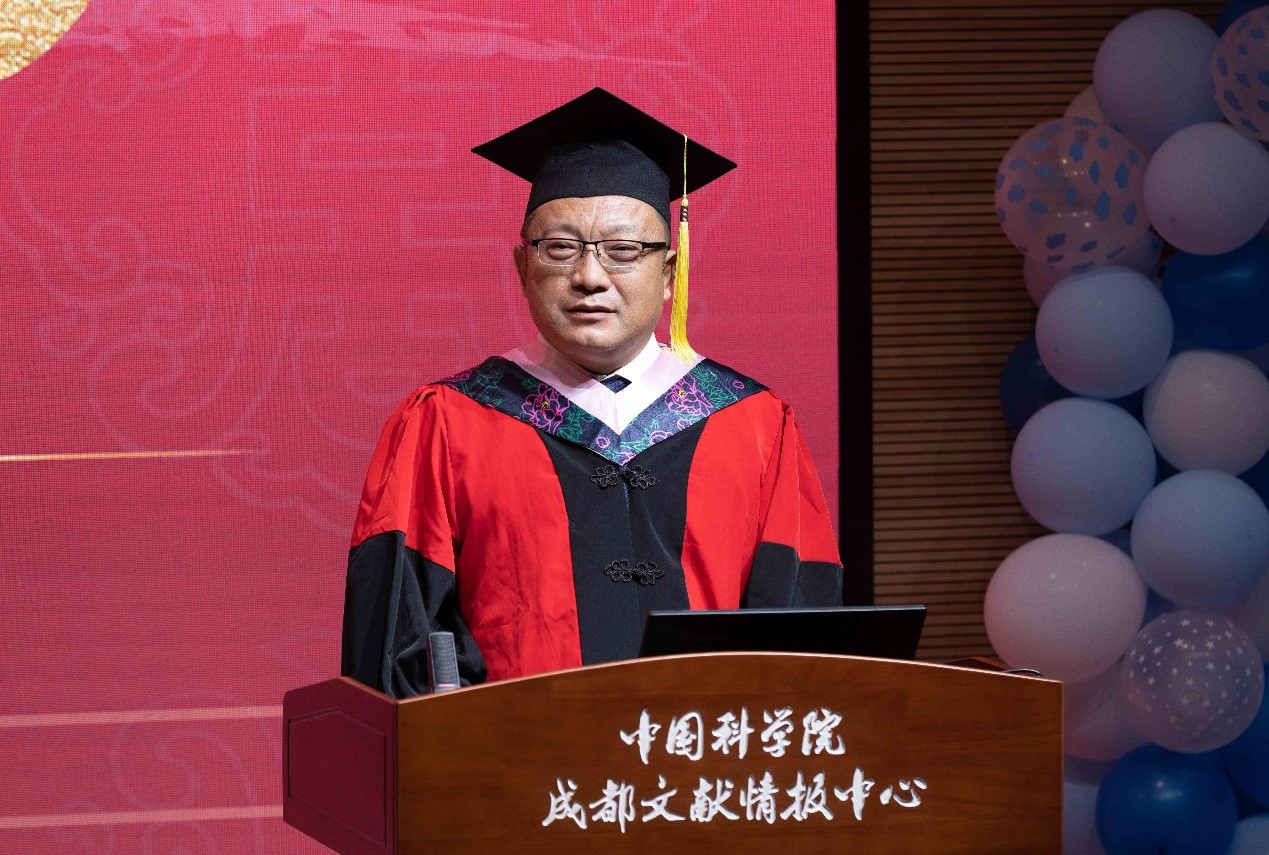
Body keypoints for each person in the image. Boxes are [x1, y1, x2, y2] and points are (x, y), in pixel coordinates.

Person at [341, 88, 843, 698]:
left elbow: (799, 635)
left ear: (670, 273)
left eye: (623, 251)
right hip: (519, 751)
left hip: (700, 750)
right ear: (523, 269)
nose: (589, 276)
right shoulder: (445, 424)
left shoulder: (756, 426)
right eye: (560, 249)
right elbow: (398, 643)